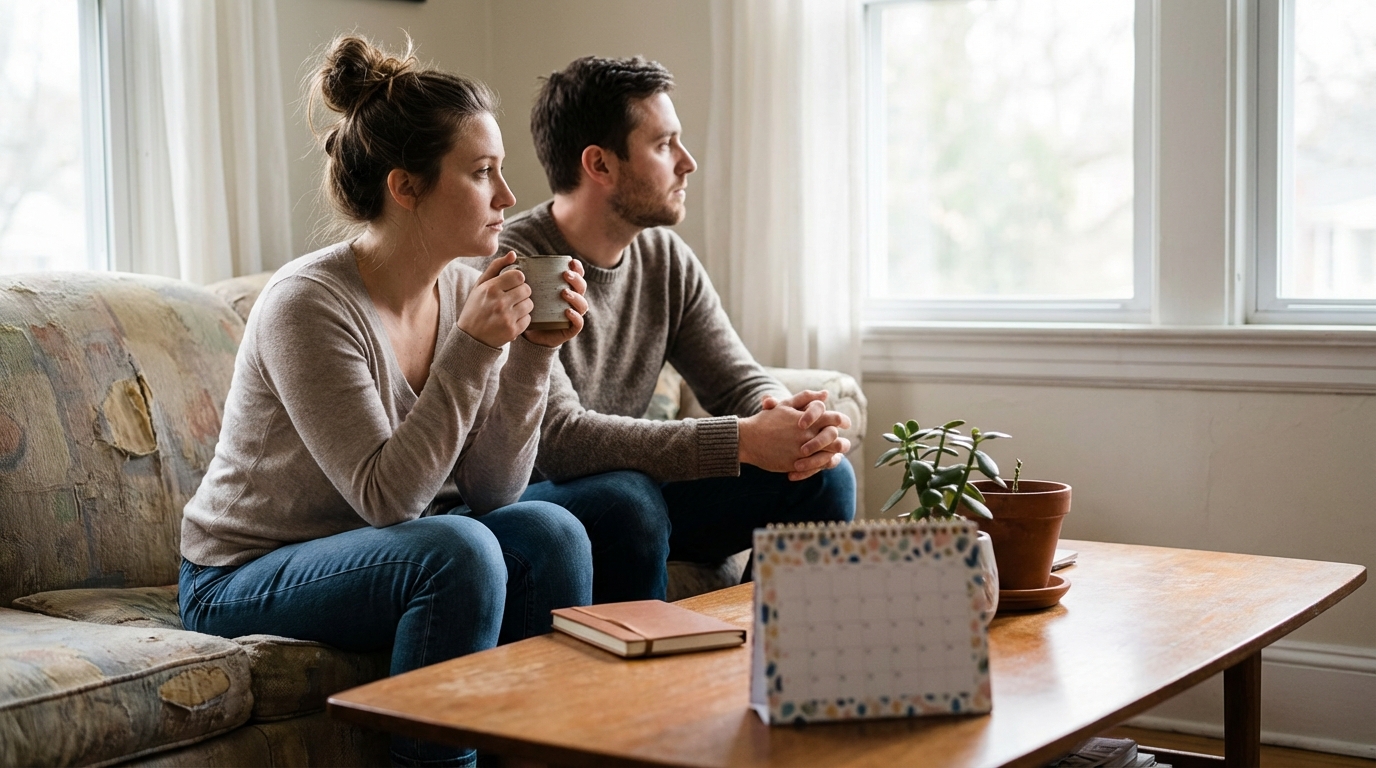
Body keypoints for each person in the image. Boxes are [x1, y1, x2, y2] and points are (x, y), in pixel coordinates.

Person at [178, 36, 592, 768]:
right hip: (241, 573)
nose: (507, 197)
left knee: (552, 530)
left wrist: (533, 351)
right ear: (406, 188)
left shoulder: (464, 289)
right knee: (455, 551)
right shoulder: (308, 305)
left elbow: (496, 489)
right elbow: (389, 500)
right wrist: (473, 348)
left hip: (369, 548)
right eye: (482, 173)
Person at [497, 55, 856, 605]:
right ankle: (645, 684)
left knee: (823, 477)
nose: (687, 162)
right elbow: (560, 442)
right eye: (665, 145)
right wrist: (739, 440)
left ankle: (775, 668)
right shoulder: (516, 264)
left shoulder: (663, 257)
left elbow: (735, 378)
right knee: (628, 499)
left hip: (634, 494)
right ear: (600, 164)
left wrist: (790, 420)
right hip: (539, 505)